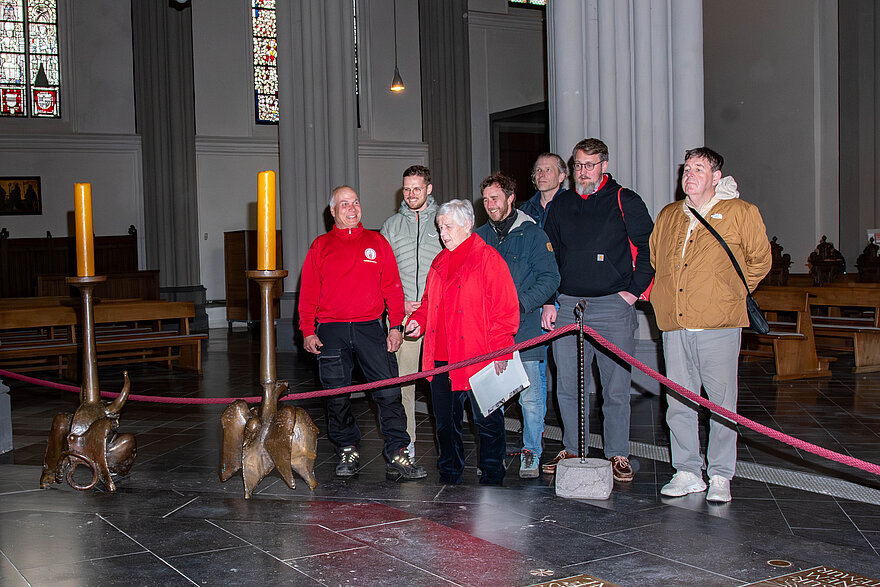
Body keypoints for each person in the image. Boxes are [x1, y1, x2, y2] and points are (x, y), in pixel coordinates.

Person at [650, 147, 770, 502]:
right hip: (675, 323)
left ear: (716, 177)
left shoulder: (740, 212)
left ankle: (720, 474)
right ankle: (687, 470)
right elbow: (657, 258)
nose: (689, 175)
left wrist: (727, 292)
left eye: (698, 169)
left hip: (718, 321)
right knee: (679, 402)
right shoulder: (669, 214)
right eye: (686, 169)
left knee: (720, 403)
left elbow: (760, 261)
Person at [542, 138, 654, 483]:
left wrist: (631, 295)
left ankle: (617, 452)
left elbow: (650, 250)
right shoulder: (561, 205)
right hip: (567, 305)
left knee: (615, 386)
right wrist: (549, 299)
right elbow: (549, 255)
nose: (582, 172)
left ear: (604, 165)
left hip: (612, 307)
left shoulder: (625, 200)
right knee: (567, 384)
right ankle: (573, 447)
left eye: (589, 165)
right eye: (577, 165)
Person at [298, 185, 426, 481]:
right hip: (331, 331)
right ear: (332, 211)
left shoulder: (377, 242)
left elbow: (393, 288)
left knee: (389, 392)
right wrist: (307, 330)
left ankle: (398, 452)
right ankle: (347, 448)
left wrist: (395, 327)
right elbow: (308, 295)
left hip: (371, 329)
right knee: (337, 396)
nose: (352, 208)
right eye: (344, 204)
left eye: (355, 202)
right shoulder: (321, 246)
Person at [405, 199, 519, 485]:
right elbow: (429, 302)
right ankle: (450, 472)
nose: (443, 233)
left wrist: (503, 350)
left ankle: (493, 473)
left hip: (477, 357)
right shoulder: (439, 261)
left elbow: (504, 307)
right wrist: (419, 319)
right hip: (441, 357)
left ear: (467, 225)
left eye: (448, 226)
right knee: (445, 423)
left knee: (487, 422)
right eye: (440, 226)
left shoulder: (488, 258)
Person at [474, 173, 559, 478]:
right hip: (488, 332)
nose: (489, 205)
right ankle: (493, 455)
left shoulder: (533, 234)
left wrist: (519, 304)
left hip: (525, 329)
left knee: (531, 399)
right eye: (485, 200)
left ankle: (531, 452)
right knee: (491, 398)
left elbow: (550, 278)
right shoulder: (479, 236)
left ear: (511, 198)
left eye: (495, 198)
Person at [380, 165, 443, 458]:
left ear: (429, 189)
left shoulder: (445, 220)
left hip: (439, 316)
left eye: (417, 188)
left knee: (442, 384)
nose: (411, 194)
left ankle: (448, 444)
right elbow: (382, 273)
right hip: (404, 316)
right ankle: (408, 444)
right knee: (403, 384)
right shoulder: (391, 226)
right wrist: (399, 304)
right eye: (407, 189)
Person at [519, 152, 567, 228]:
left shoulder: (570, 206)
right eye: (538, 170)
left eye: (548, 170)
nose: (541, 174)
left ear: (561, 177)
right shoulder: (525, 210)